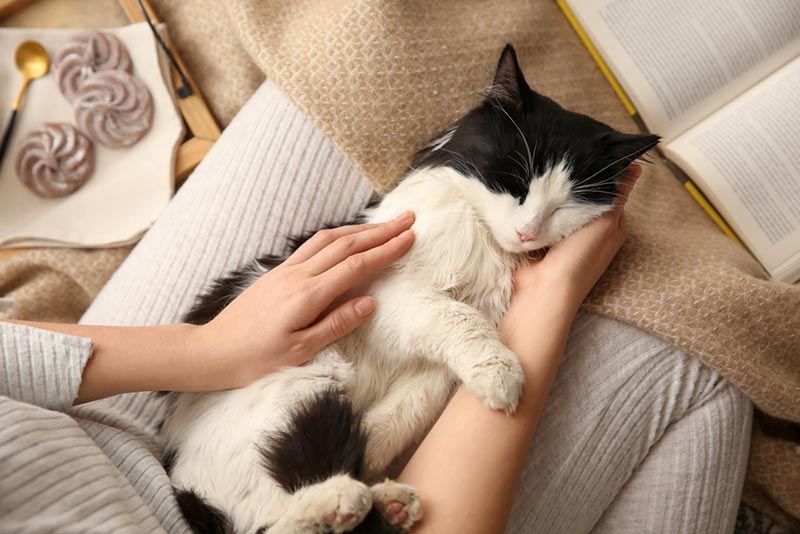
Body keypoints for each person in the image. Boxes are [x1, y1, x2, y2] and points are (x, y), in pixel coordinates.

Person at [0, 80, 751, 534]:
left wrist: (212, 349)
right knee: (710, 364)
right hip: (236, 500)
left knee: (334, 76)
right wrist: (541, 306)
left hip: (116, 414)